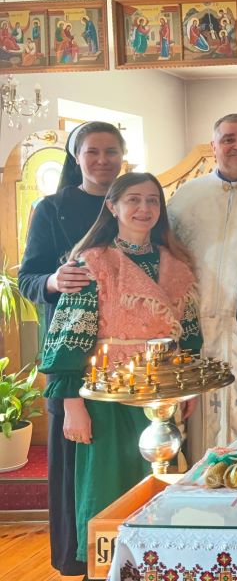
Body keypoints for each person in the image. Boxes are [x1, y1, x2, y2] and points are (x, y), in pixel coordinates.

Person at [39, 172, 201, 570]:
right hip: (108, 396)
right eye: (133, 200)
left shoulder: (177, 264)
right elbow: (67, 341)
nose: (144, 209)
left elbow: (191, 335)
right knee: (110, 490)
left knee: (161, 486)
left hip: (162, 393)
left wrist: (189, 385)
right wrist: (73, 405)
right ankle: (108, 572)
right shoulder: (93, 263)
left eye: (152, 201)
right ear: (112, 206)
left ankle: (160, 567)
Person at [18, 121, 125, 578]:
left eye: (112, 151)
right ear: (76, 156)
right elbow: (27, 277)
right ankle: (78, 558)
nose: (103, 160)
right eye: (93, 152)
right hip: (72, 357)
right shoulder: (52, 209)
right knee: (74, 458)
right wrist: (53, 281)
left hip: (126, 355)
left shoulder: (134, 202)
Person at [168, 113, 237, 458]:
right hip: (196, 327)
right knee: (197, 422)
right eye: (228, 139)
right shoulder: (186, 196)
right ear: (213, 146)